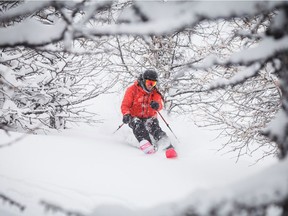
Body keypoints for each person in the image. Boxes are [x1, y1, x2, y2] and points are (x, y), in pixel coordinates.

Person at [121, 69, 177, 158]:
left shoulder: (155, 92)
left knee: (156, 128)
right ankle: (147, 144)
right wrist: (126, 114)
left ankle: (167, 146)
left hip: (150, 117)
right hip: (134, 116)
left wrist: (156, 105)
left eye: (153, 83)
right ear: (143, 80)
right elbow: (125, 105)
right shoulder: (132, 90)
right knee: (138, 125)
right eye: (149, 82)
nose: (151, 86)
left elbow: (160, 105)